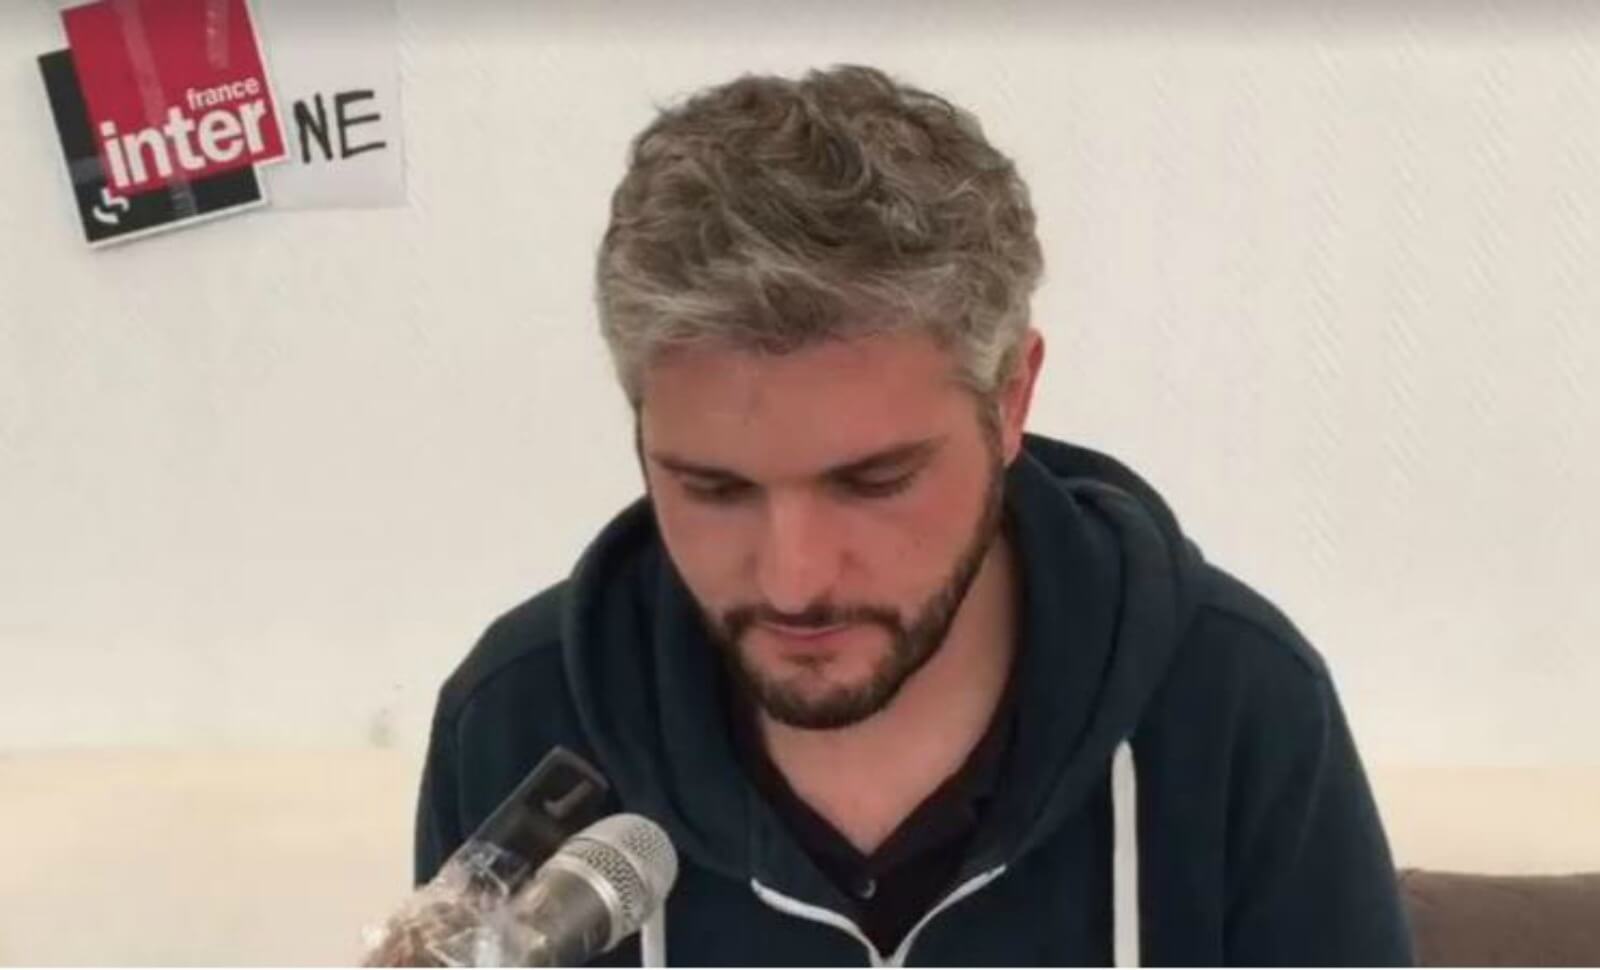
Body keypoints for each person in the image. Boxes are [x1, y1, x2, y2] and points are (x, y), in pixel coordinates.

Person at [413, 64, 1413, 966]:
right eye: (715, 489)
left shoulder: (1234, 708)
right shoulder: (517, 719)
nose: (794, 580)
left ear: (1011, 399)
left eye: (875, 481)